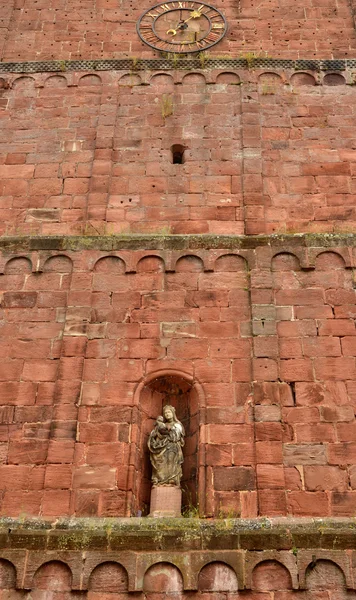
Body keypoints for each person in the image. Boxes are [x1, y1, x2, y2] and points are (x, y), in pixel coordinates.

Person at [148, 405, 185, 487]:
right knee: (160, 462)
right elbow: (154, 435)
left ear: (173, 413)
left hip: (172, 446)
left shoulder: (177, 424)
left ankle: (172, 480)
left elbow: (176, 436)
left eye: (168, 412)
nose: (167, 414)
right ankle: (159, 480)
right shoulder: (160, 425)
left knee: (171, 462)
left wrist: (167, 431)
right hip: (161, 448)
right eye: (165, 413)